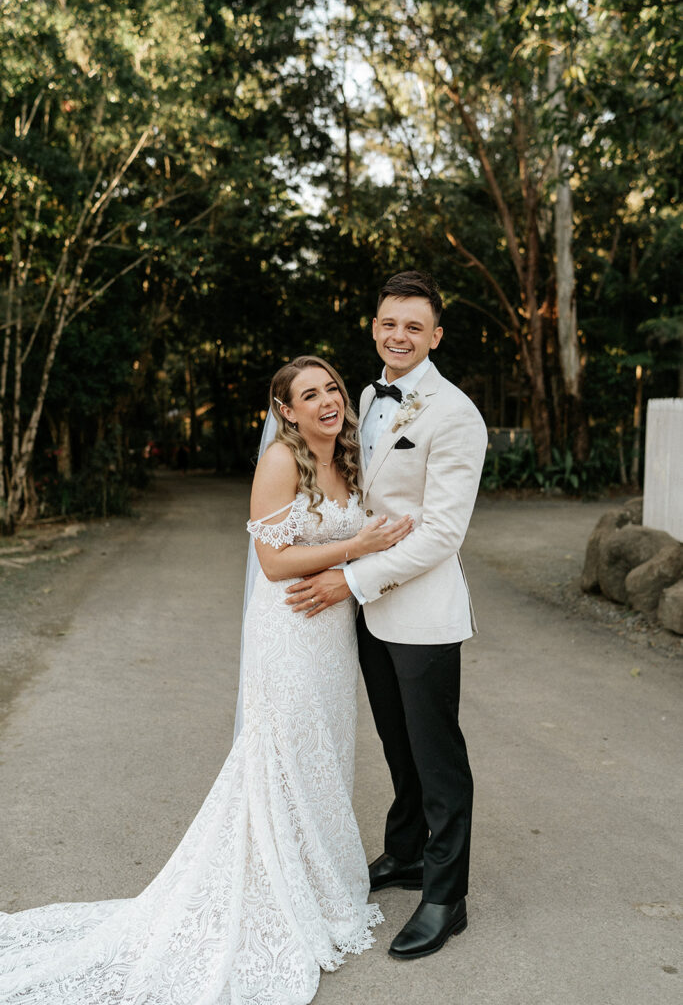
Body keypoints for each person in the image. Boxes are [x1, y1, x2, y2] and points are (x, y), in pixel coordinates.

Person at [0, 355, 412, 1005]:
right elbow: (273, 563)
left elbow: (362, 533)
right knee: (284, 755)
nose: (328, 400)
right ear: (285, 410)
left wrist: (377, 545)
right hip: (289, 634)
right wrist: (355, 549)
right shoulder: (281, 460)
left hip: (332, 631)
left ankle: (316, 877)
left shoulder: (349, 456)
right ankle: (280, 885)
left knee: (325, 752)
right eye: (310, 394)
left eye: (331, 387)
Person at [285, 272, 488, 960]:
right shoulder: (367, 396)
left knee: (437, 760)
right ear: (374, 327)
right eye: (388, 323)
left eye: (413, 326)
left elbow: (439, 535)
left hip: (421, 616)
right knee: (396, 748)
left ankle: (444, 896)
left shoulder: (455, 414)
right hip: (367, 614)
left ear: (434, 336)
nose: (398, 335)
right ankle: (403, 856)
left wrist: (349, 577)